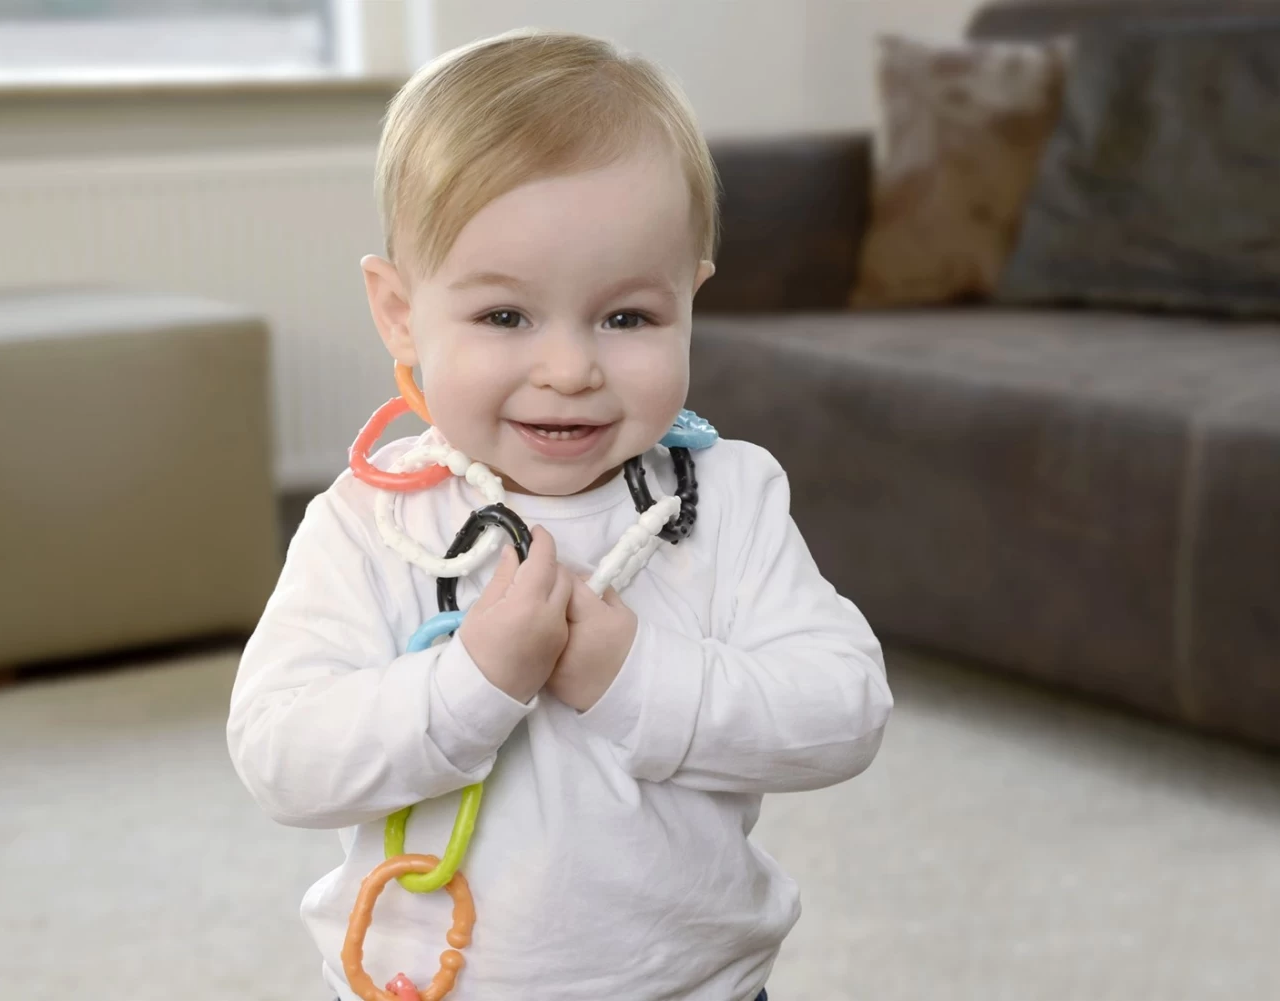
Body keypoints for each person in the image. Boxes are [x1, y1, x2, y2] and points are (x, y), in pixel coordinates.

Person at [227, 28, 893, 1001]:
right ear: (401, 313)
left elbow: (844, 709)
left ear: (691, 300)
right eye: (505, 316)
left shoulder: (730, 496)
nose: (570, 368)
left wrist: (630, 677)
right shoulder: (370, 522)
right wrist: (472, 682)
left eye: (628, 317)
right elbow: (281, 755)